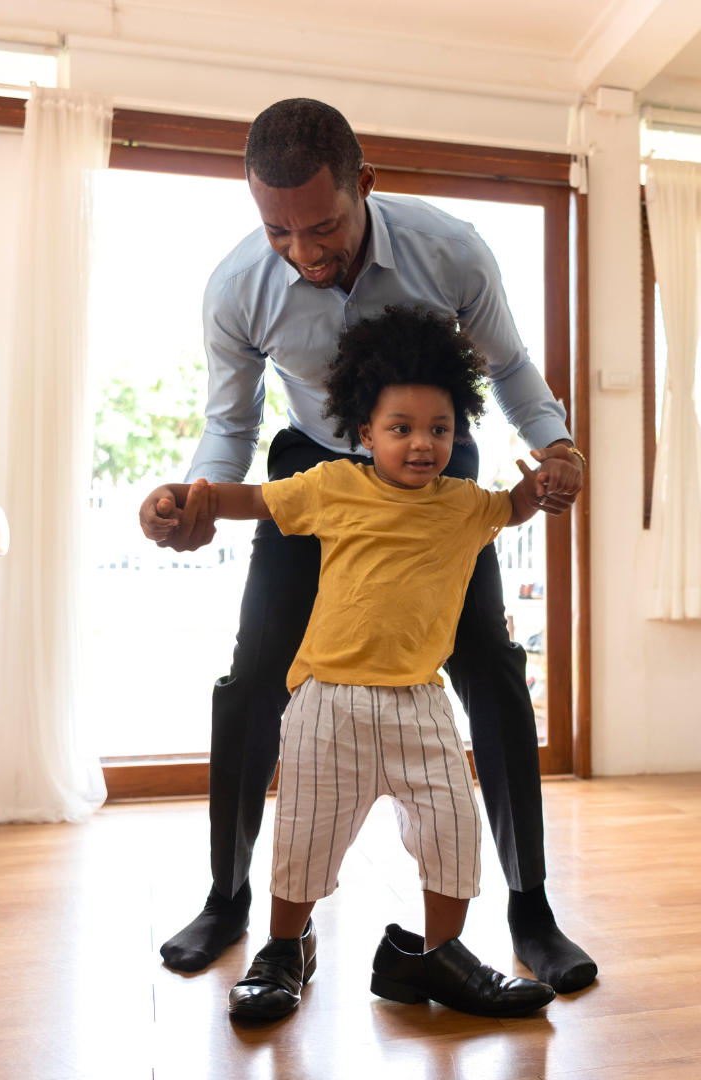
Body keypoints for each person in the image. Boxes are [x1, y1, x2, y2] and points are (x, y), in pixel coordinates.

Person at [139, 97, 596, 993]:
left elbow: (506, 367)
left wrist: (558, 446)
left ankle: (531, 908)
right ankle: (230, 897)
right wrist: (194, 499)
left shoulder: (449, 247)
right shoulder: (238, 287)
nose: (305, 253)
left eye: (324, 227)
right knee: (256, 672)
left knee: (490, 667)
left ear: (366, 188)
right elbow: (227, 425)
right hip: (314, 466)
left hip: (432, 459)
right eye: (278, 231)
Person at [145, 307, 571, 1019]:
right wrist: (183, 499)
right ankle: (285, 948)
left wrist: (550, 478)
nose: (422, 444)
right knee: (305, 840)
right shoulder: (332, 486)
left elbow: (518, 505)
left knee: (453, 832)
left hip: (420, 703)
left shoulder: (466, 505)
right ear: (364, 432)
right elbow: (249, 498)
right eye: (401, 429)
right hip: (327, 701)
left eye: (439, 430)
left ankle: (439, 960)